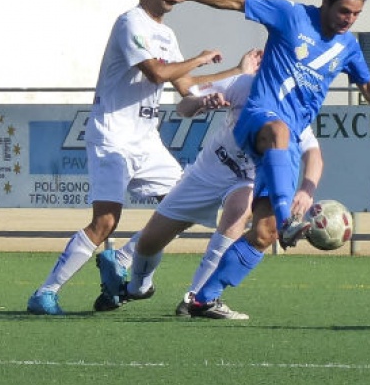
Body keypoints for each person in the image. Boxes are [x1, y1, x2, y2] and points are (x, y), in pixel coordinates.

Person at [168, 0, 370, 319]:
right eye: (344, 11)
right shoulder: (290, 15)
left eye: (356, 14)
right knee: (278, 130)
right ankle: (288, 220)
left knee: (264, 234)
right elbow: (236, 0)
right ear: (326, 2)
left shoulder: (347, 46)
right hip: (259, 118)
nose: (349, 20)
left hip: (287, 142)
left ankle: (204, 298)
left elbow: (368, 85)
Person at [26, 0, 252, 316]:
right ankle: (45, 293)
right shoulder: (130, 23)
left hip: (147, 141)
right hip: (112, 136)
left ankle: (124, 260)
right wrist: (198, 58)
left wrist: (235, 72)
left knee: (184, 205)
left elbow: (183, 84)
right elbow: (156, 74)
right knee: (105, 222)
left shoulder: (166, 34)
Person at [95, 49, 325, 320]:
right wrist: (203, 103)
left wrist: (307, 188)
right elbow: (184, 106)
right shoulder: (243, 84)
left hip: (245, 179)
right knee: (149, 243)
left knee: (239, 211)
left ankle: (198, 298)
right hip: (208, 171)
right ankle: (137, 287)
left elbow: (314, 153)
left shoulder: (292, 109)